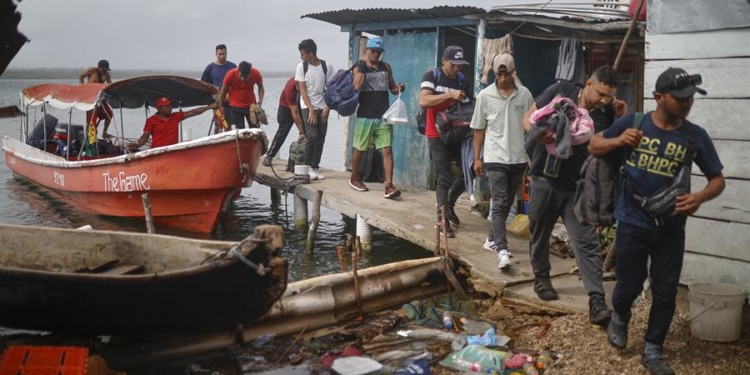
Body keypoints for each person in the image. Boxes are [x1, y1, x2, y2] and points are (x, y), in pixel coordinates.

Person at [589, 68, 725, 375]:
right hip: (633, 223)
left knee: (665, 292)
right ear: (659, 98)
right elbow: (594, 146)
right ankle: (621, 316)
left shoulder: (693, 136)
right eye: (680, 99)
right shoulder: (633, 123)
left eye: (690, 98)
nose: (687, 104)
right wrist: (618, 140)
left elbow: (717, 179)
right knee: (629, 286)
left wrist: (699, 197)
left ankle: (653, 350)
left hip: (671, 229)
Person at [522, 65, 627, 326]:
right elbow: (528, 119)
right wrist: (538, 134)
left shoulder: (607, 114)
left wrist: (624, 117)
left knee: (587, 243)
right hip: (545, 180)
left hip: (577, 188)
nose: (604, 100)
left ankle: (596, 300)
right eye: (601, 94)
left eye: (609, 96)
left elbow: (615, 149)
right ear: (589, 83)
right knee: (539, 233)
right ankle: (542, 277)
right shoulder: (560, 92)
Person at [470, 53, 534, 268]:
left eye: (506, 75)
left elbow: (533, 126)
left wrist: (533, 158)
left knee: (506, 203)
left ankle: (490, 239)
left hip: (517, 158)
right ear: (495, 73)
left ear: (513, 72)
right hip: (494, 157)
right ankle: (502, 250)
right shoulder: (485, 96)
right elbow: (479, 128)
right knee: (498, 203)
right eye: (499, 74)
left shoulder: (525, 95)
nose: (503, 79)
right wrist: (477, 158)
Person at [419, 45, 472, 238]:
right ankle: (441, 220)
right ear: (443, 61)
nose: (456, 69)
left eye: (460, 65)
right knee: (444, 177)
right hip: (435, 133)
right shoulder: (431, 76)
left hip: (458, 133)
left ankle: (449, 205)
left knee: (470, 170)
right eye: (453, 65)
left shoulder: (462, 80)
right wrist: (449, 95)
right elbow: (423, 101)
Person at [349, 36, 405, 199]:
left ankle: (388, 185)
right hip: (365, 116)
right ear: (367, 50)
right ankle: (354, 178)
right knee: (360, 149)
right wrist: (361, 71)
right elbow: (355, 88)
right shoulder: (359, 67)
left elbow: (392, 88)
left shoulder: (386, 67)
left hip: (383, 116)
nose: (376, 55)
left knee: (387, 150)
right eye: (373, 51)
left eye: (379, 52)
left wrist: (399, 89)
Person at [295, 39, 333, 180]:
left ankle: (315, 167)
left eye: (303, 54)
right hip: (307, 105)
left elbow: (331, 89)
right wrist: (310, 109)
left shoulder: (326, 66)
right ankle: (307, 166)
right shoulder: (302, 67)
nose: (301, 56)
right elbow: (303, 91)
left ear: (311, 54)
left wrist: (328, 107)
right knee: (312, 136)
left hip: (323, 106)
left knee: (321, 137)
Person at [127, 97, 217, 150]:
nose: (170, 108)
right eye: (166, 106)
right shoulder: (151, 120)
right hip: (156, 151)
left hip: (172, 150)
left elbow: (193, 112)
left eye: (170, 105)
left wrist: (210, 107)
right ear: (159, 108)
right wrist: (137, 145)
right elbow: (145, 136)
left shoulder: (176, 116)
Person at [262, 76, 305, 167]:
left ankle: (305, 159)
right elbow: (295, 113)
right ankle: (270, 155)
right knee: (282, 132)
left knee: (308, 132)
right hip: (286, 108)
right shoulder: (290, 87)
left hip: (301, 106)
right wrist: (301, 131)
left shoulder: (307, 83)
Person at [201, 44, 237, 134]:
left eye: (224, 54)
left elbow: (237, 84)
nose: (222, 56)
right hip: (216, 100)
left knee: (228, 124)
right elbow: (203, 84)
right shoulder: (210, 68)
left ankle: (230, 142)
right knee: (217, 124)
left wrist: (230, 94)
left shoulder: (233, 66)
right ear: (216, 54)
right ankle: (215, 140)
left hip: (229, 101)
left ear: (227, 53)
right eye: (220, 54)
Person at [219, 61, 264, 129]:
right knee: (240, 129)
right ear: (238, 71)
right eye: (241, 76)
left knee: (255, 128)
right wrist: (221, 105)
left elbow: (261, 87)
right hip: (236, 105)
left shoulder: (255, 73)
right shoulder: (231, 74)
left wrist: (260, 101)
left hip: (251, 105)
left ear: (250, 73)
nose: (243, 78)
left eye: (245, 77)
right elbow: (223, 90)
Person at [79, 59, 113, 138]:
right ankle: (90, 136)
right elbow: (81, 76)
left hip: (100, 97)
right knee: (91, 118)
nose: (105, 71)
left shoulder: (107, 75)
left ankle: (104, 133)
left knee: (109, 114)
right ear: (99, 67)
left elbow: (110, 84)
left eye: (106, 70)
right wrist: (82, 86)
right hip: (90, 97)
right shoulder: (92, 71)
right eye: (103, 69)